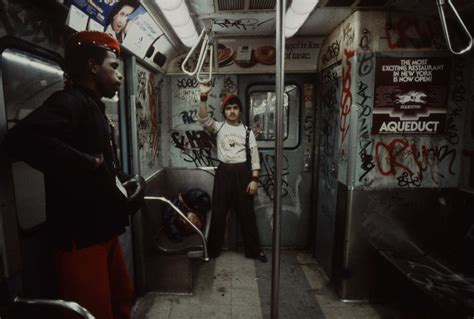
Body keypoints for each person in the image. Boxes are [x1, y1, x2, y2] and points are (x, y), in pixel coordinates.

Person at [4, 31, 144, 319]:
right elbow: (22, 139)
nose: (119, 76)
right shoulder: (69, 102)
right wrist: (85, 163)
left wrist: (125, 181)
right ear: (93, 67)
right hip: (79, 239)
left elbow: (103, 162)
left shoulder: (94, 108)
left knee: (122, 297)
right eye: (113, 67)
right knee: (94, 312)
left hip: (102, 231)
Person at [198, 82, 267, 263]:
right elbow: (203, 119)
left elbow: (254, 157)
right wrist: (203, 96)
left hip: (242, 173)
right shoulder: (219, 127)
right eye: (228, 108)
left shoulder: (247, 132)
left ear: (240, 111)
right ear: (224, 112)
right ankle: (212, 250)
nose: (232, 111)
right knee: (219, 212)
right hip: (224, 173)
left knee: (247, 213)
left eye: (235, 108)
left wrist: (254, 179)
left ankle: (254, 250)